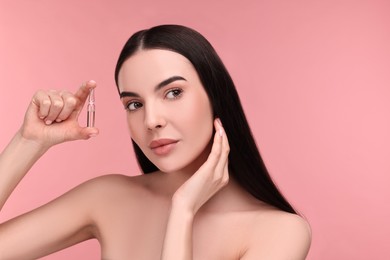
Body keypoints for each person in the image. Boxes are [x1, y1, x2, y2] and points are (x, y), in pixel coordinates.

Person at [0, 24, 311, 259]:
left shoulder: (279, 231)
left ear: (216, 97)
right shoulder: (109, 198)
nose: (151, 120)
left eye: (173, 92)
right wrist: (28, 142)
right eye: (134, 104)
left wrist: (183, 211)